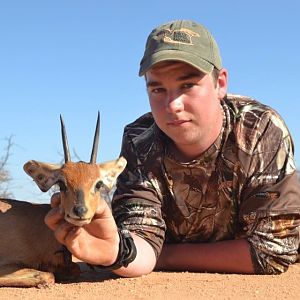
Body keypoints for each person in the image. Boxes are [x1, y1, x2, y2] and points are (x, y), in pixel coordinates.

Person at [45, 19, 300, 276]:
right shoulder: (138, 140)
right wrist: (117, 251)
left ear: (220, 83)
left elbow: (272, 252)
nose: (173, 105)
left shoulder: (259, 129)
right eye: (157, 88)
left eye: (188, 85)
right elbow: (141, 239)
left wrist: (161, 255)